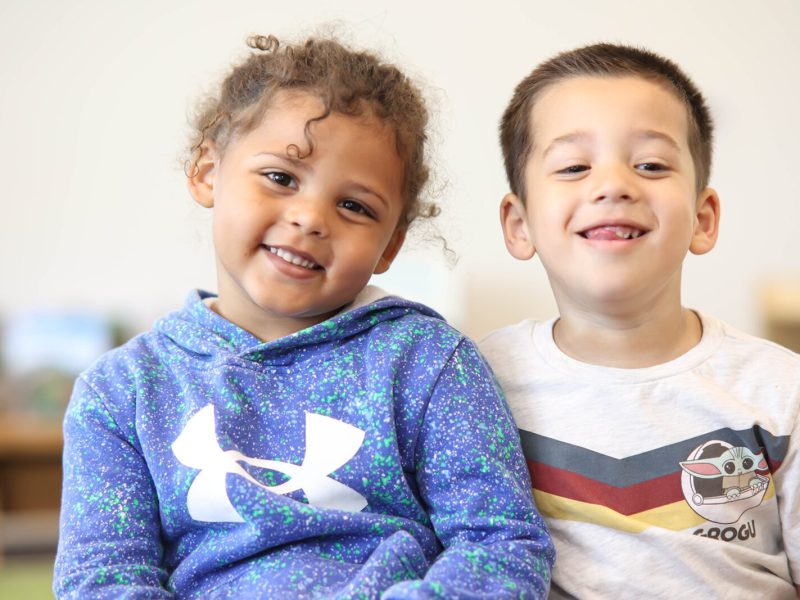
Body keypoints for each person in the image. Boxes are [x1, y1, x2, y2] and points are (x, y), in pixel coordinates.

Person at [53, 34, 554, 599]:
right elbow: (101, 579)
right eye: (281, 178)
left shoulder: (430, 363)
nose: (311, 218)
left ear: (390, 246)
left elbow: (501, 547)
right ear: (206, 171)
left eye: (354, 206)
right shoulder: (120, 391)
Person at [480, 43, 799, 598]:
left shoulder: (779, 391)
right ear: (519, 224)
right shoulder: (474, 382)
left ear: (702, 219)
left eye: (650, 164)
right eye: (575, 166)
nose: (614, 184)